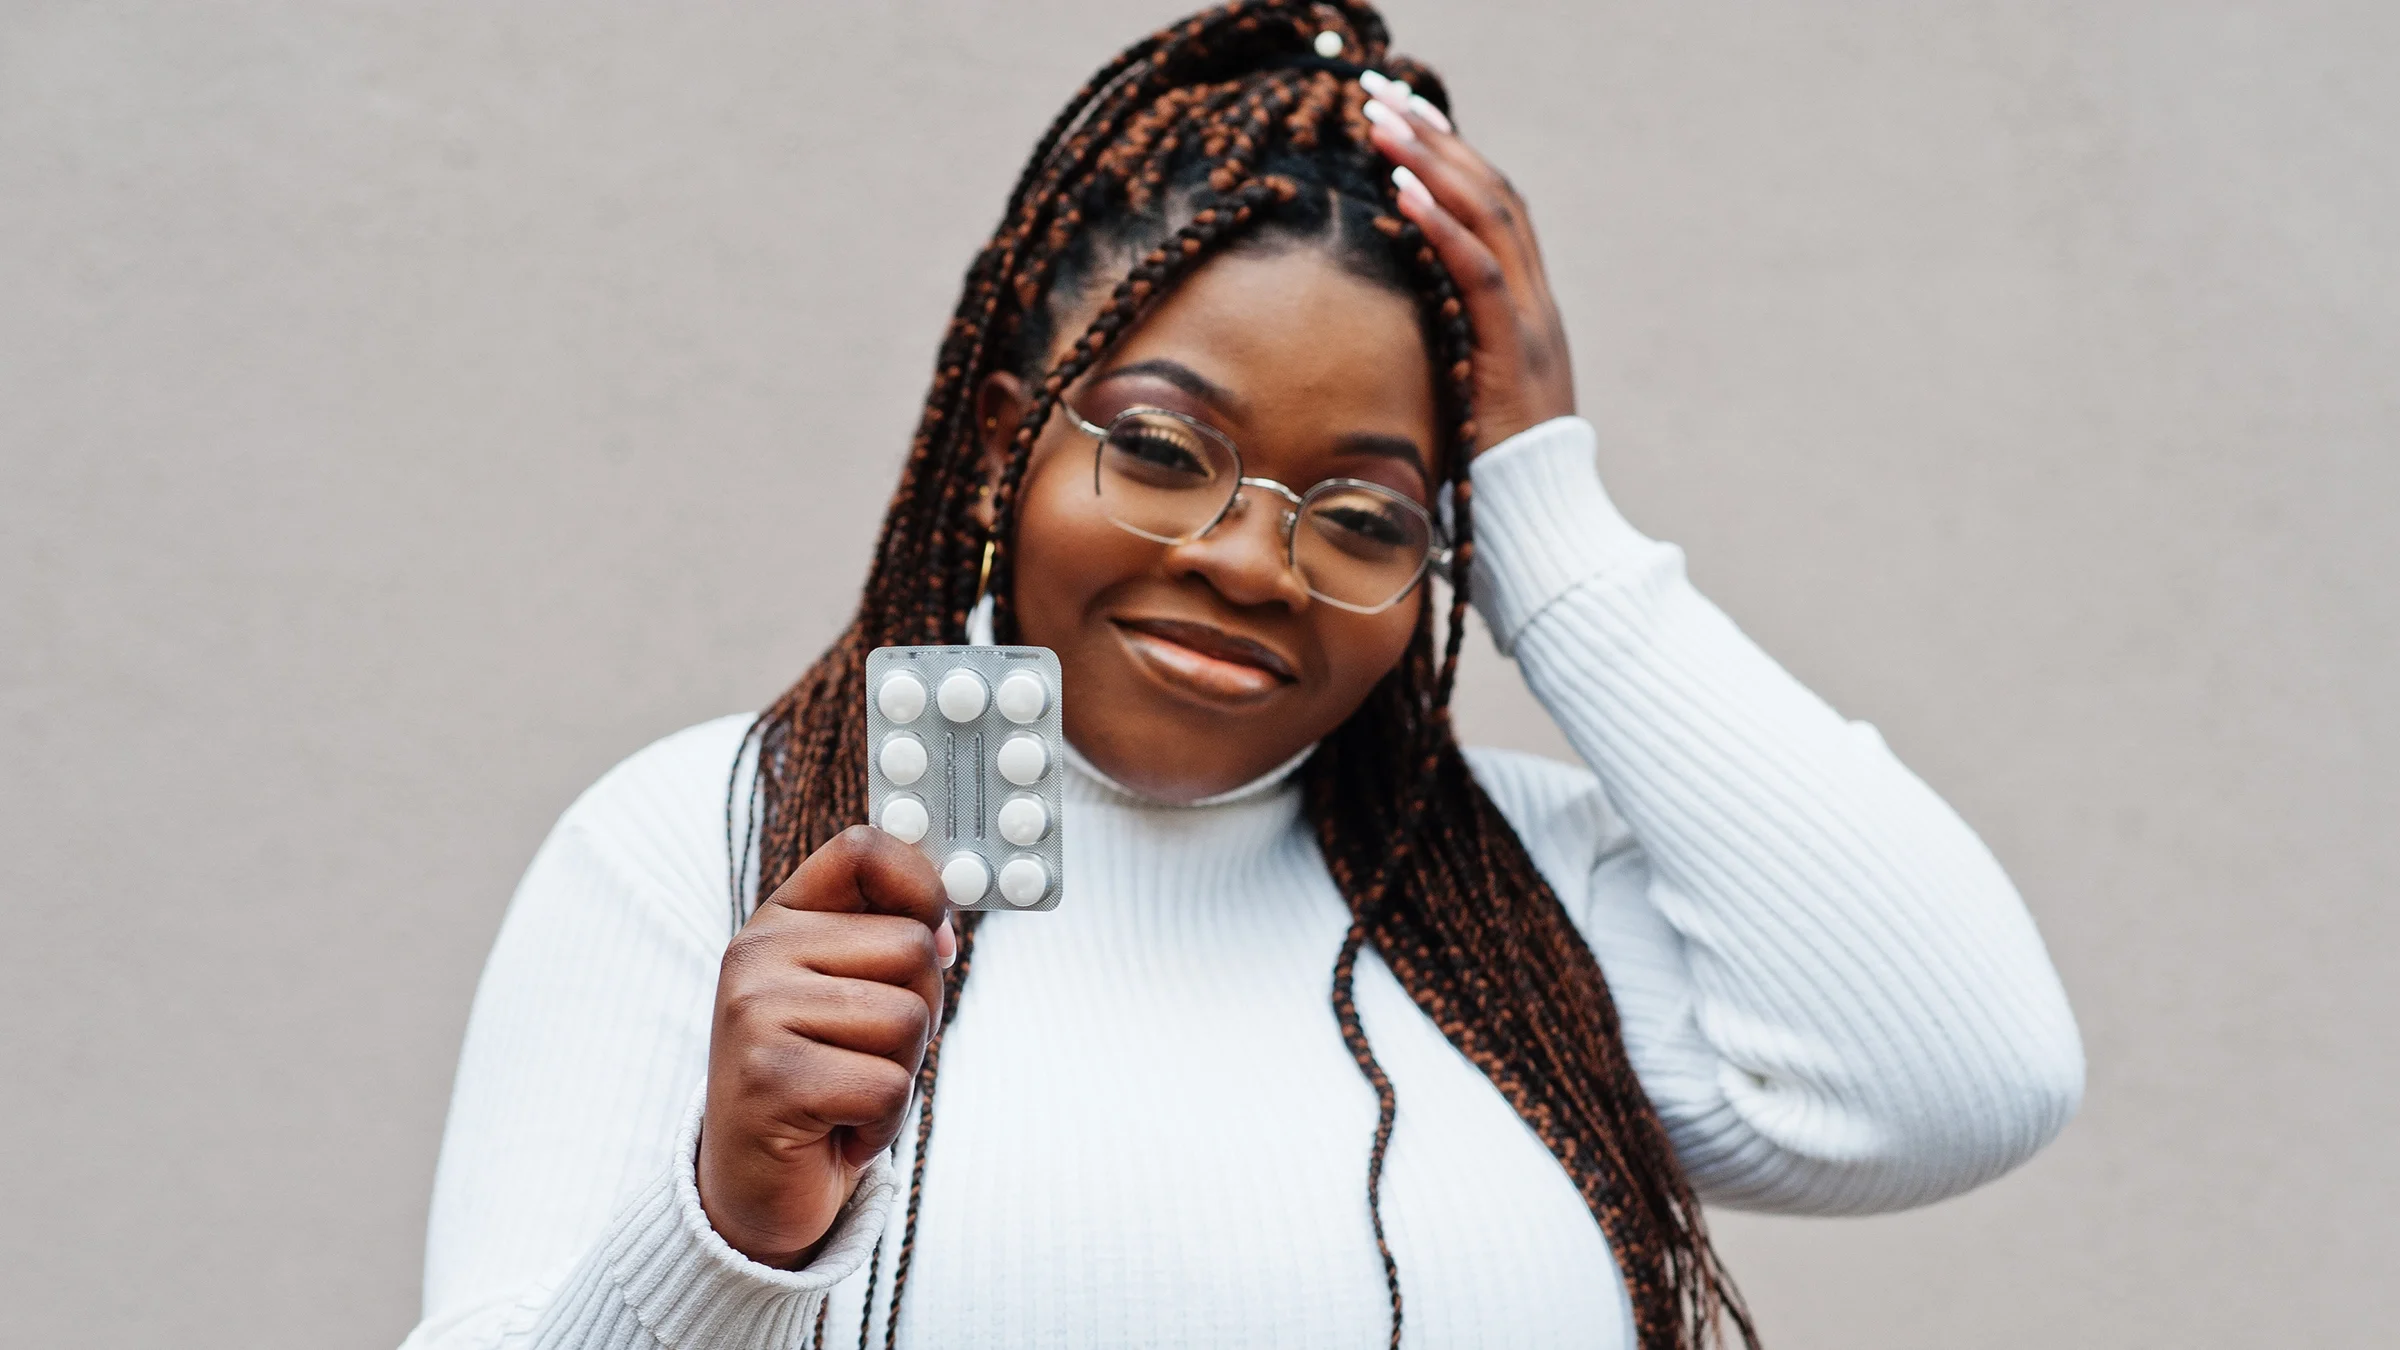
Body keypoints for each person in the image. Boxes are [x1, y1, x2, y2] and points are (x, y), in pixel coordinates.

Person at [400, 5, 2084, 1348]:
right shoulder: (717, 840)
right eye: (1160, 449)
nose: (1247, 557)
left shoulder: (1510, 893)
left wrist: (1552, 513)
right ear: (1004, 445)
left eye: (1362, 514)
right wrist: (727, 1234)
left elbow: (1965, 1073)